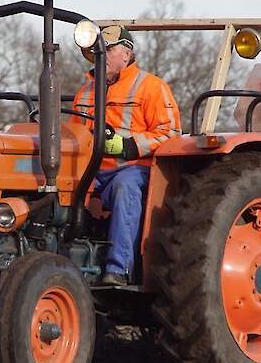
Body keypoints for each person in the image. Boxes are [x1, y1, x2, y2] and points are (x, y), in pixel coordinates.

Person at [71, 26, 182, 286]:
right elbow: (74, 134)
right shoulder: (85, 91)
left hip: (134, 168)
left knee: (125, 187)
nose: (101, 56)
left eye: (108, 49)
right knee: (59, 187)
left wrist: (127, 145)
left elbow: (171, 133)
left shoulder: (152, 87)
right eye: (96, 51)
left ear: (126, 53)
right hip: (92, 170)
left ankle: (118, 270)